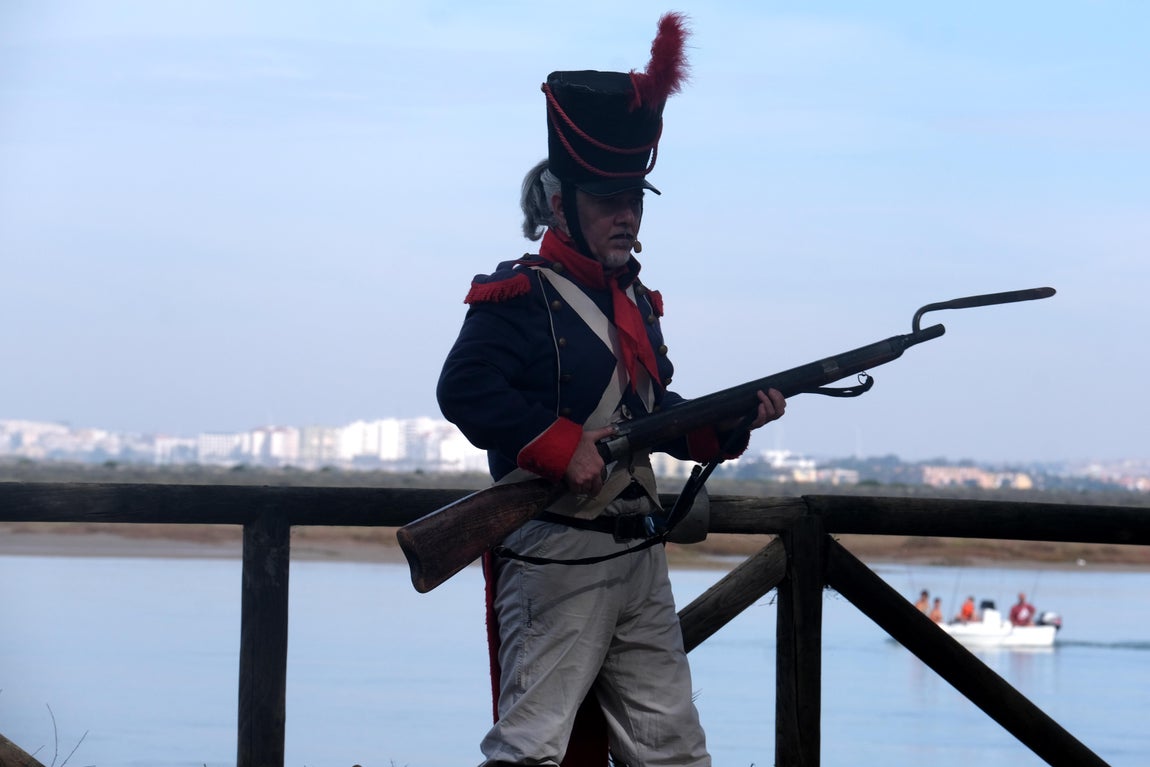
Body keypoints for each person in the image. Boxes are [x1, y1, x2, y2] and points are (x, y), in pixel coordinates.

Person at [436, 13, 785, 767]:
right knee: (529, 750)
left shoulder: (636, 303)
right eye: (606, 199)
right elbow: (464, 389)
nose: (626, 213)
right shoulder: (520, 296)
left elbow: (647, 413)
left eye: (634, 197)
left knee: (673, 753)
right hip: (557, 551)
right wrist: (562, 446)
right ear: (561, 205)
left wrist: (724, 425)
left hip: (639, 555)